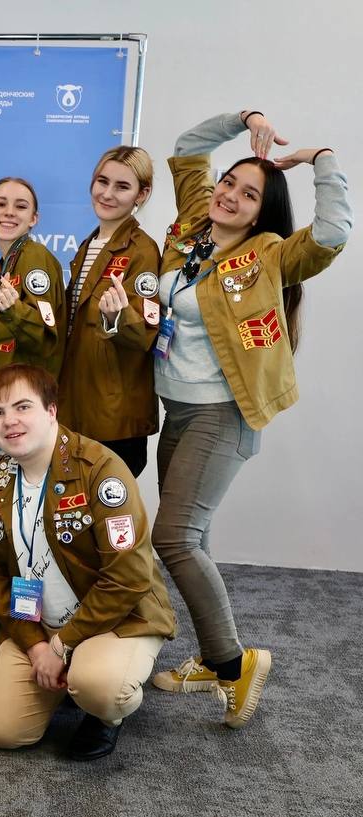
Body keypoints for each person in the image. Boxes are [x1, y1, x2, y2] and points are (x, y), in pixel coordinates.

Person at [148, 110, 351, 728]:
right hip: (177, 408)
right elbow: (188, 146)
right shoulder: (193, 227)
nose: (230, 196)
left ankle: (233, 663)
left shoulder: (270, 255)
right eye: (228, 183)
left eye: (249, 193)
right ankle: (215, 658)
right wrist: (244, 119)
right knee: (196, 539)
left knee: (173, 539)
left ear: (263, 213)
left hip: (224, 414)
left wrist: (320, 159)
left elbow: (333, 233)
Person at [0, 364, 175, 760]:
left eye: (22, 407)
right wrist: (36, 646)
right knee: (3, 731)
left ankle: (108, 710)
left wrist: (63, 644)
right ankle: (68, 676)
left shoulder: (99, 470)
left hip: (116, 620)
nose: (9, 421)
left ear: (51, 410)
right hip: (40, 620)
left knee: (101, 688)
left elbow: (129, 578)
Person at [57, 147, 161, 477]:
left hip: (113, 417)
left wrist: (117, 318)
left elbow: (145, 333)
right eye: (102, 181)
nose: (107, 193)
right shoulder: (88, 245)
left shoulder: (142, 250)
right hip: (77, 405)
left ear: (141, 194)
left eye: (122, 186)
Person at [0, 177, 66, 377]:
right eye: (0, 204)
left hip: (28, 385)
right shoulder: (8, 261)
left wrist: (13, 310)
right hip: (9, 383)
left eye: (20, 206)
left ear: (33, 218)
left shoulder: (34, 256)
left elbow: (45, 335)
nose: (9, 212)